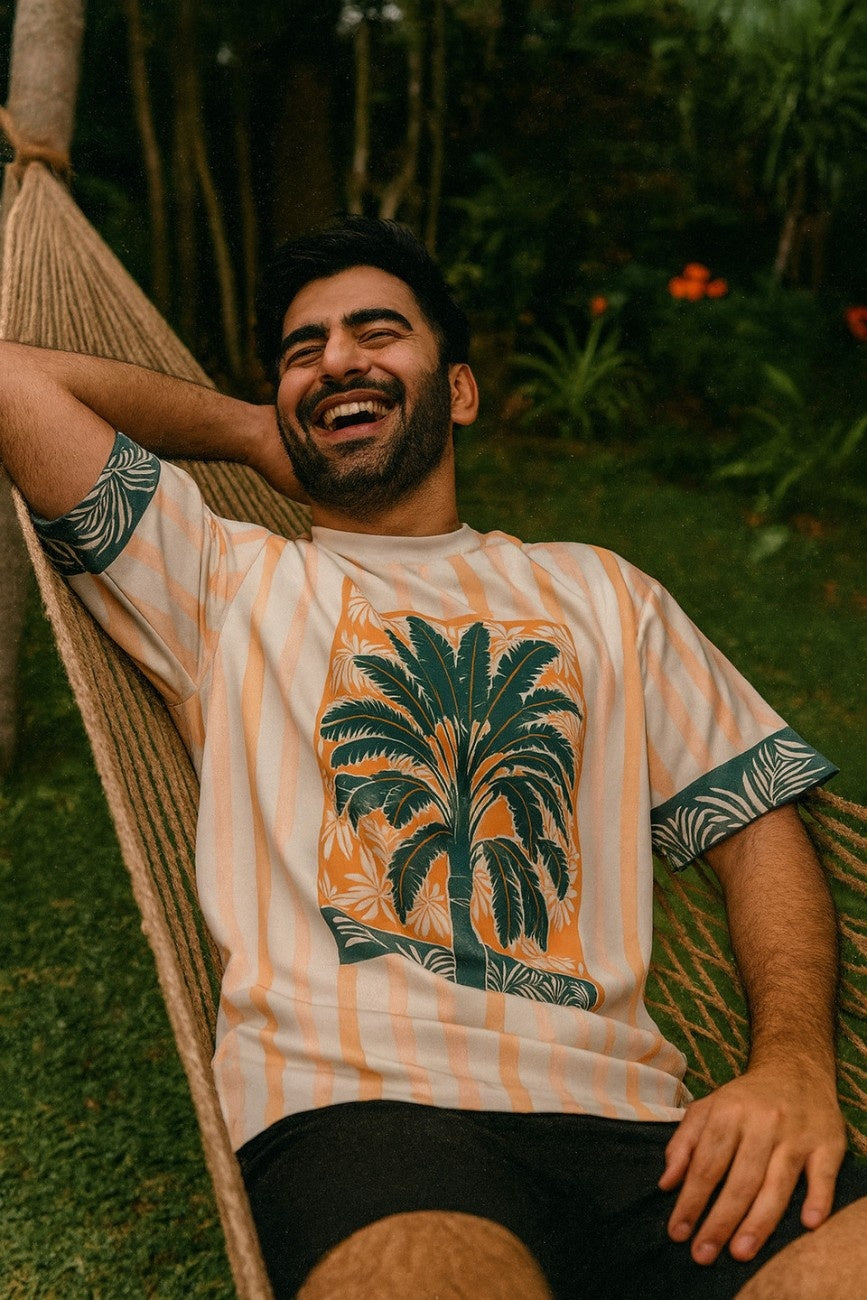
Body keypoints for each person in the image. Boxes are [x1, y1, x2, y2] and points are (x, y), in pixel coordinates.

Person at [1, 216, 864, 1299]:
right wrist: (249, 427)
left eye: (376, 332)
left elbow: (756, 824)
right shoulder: (219, 582)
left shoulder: (605, 593)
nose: (337, 360)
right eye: (301, 350)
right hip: (362, 1116)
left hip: (642, 1128)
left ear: (457, 390)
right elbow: (11, 379)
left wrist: (792, 1062)